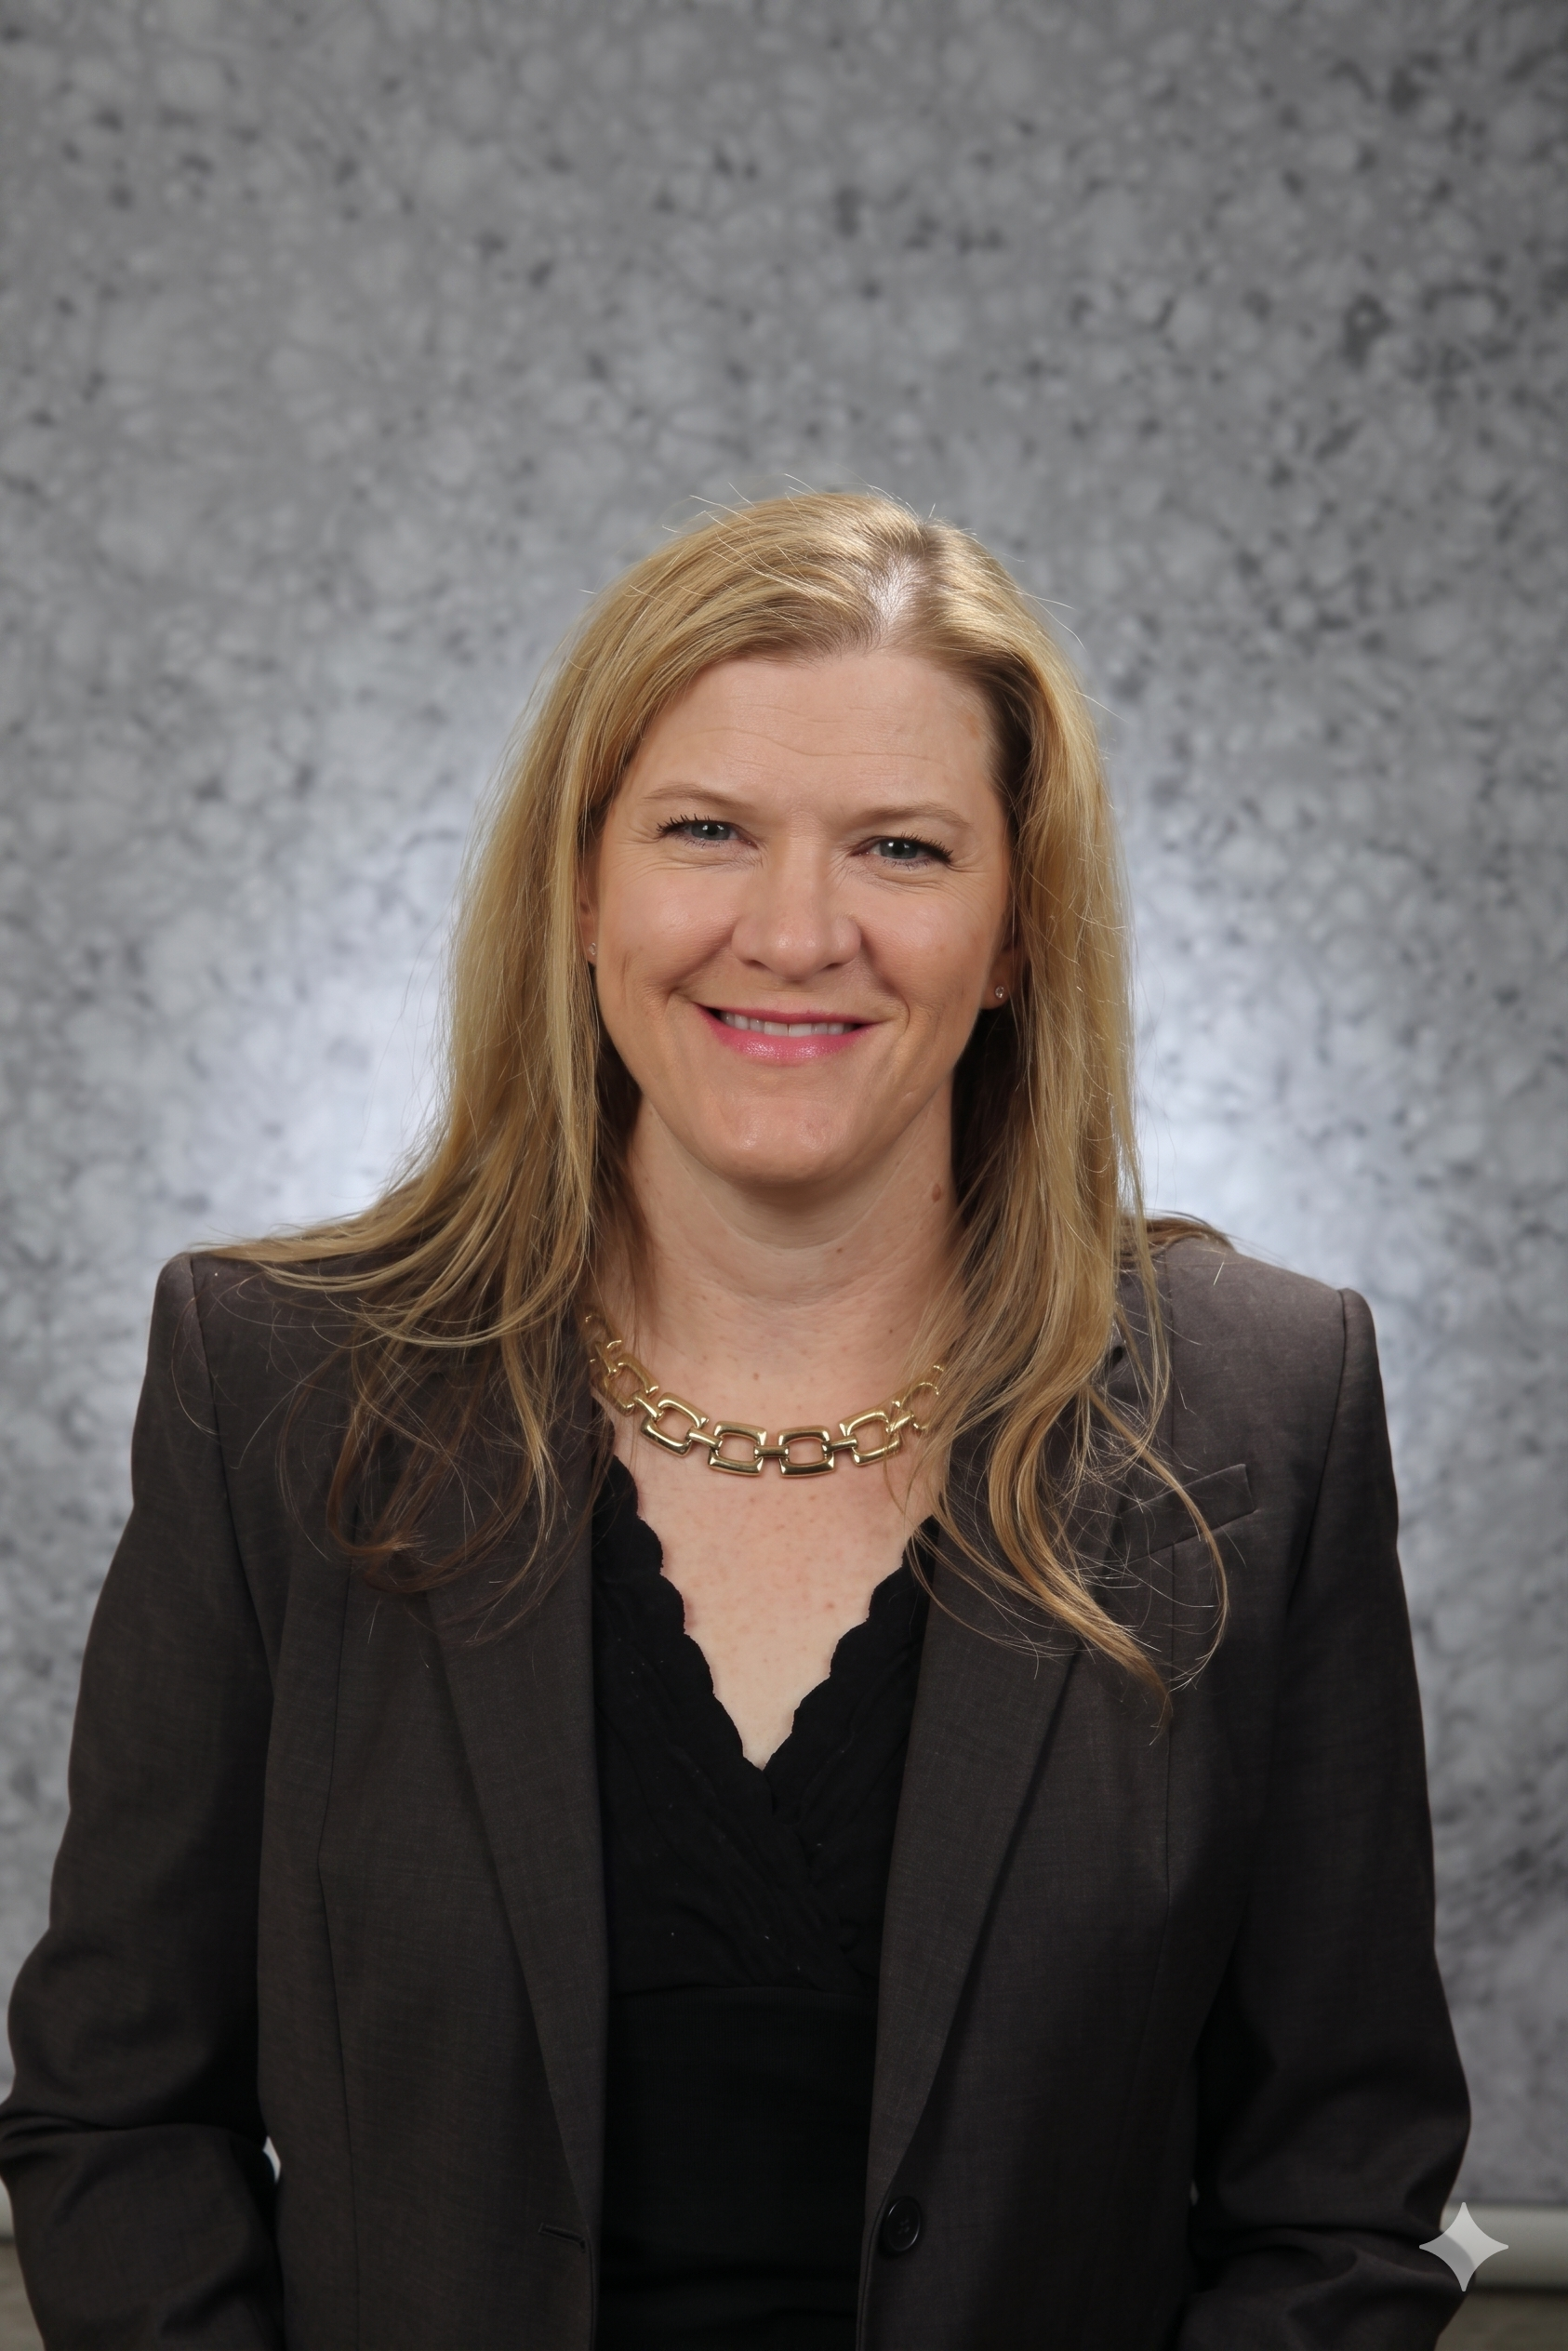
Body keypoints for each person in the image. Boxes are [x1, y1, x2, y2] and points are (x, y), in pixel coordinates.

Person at [0, 493, 1468, 2348]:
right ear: (585, 891)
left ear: (1015, 929)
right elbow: (120, 2113)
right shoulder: (278, 1383)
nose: (796, 931)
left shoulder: (1263, 1412)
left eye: (902, 849)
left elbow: (1335, 2203)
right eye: (707, 831)